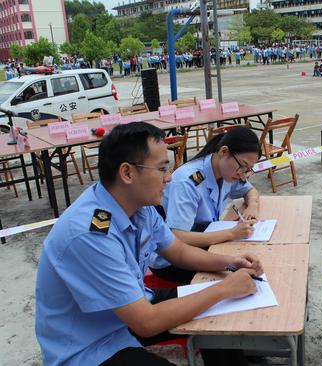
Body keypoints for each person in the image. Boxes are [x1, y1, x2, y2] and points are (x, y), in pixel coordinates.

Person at [35, 122, 263, 366]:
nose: (169, 177)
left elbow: (178, 250)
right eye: (162, 168)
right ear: (127, 173)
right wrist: (224, 288)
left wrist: (230, 263)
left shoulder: (140, 207)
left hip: (130, 310)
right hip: (92, 346)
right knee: (218, 296)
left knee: (217, 313)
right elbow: (146, 323)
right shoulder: (89, 234)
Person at [149, 126, 261, 283]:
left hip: (202, 244)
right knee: (239, 277)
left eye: (248, 170)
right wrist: (231, 234)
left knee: (251, 261)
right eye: (242, 166)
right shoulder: (187, 181)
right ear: (224, 152)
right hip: (172, 260)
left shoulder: (228, 173)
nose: (243, 173)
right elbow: (178, 236)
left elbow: (250, 190)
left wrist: (252, 206)